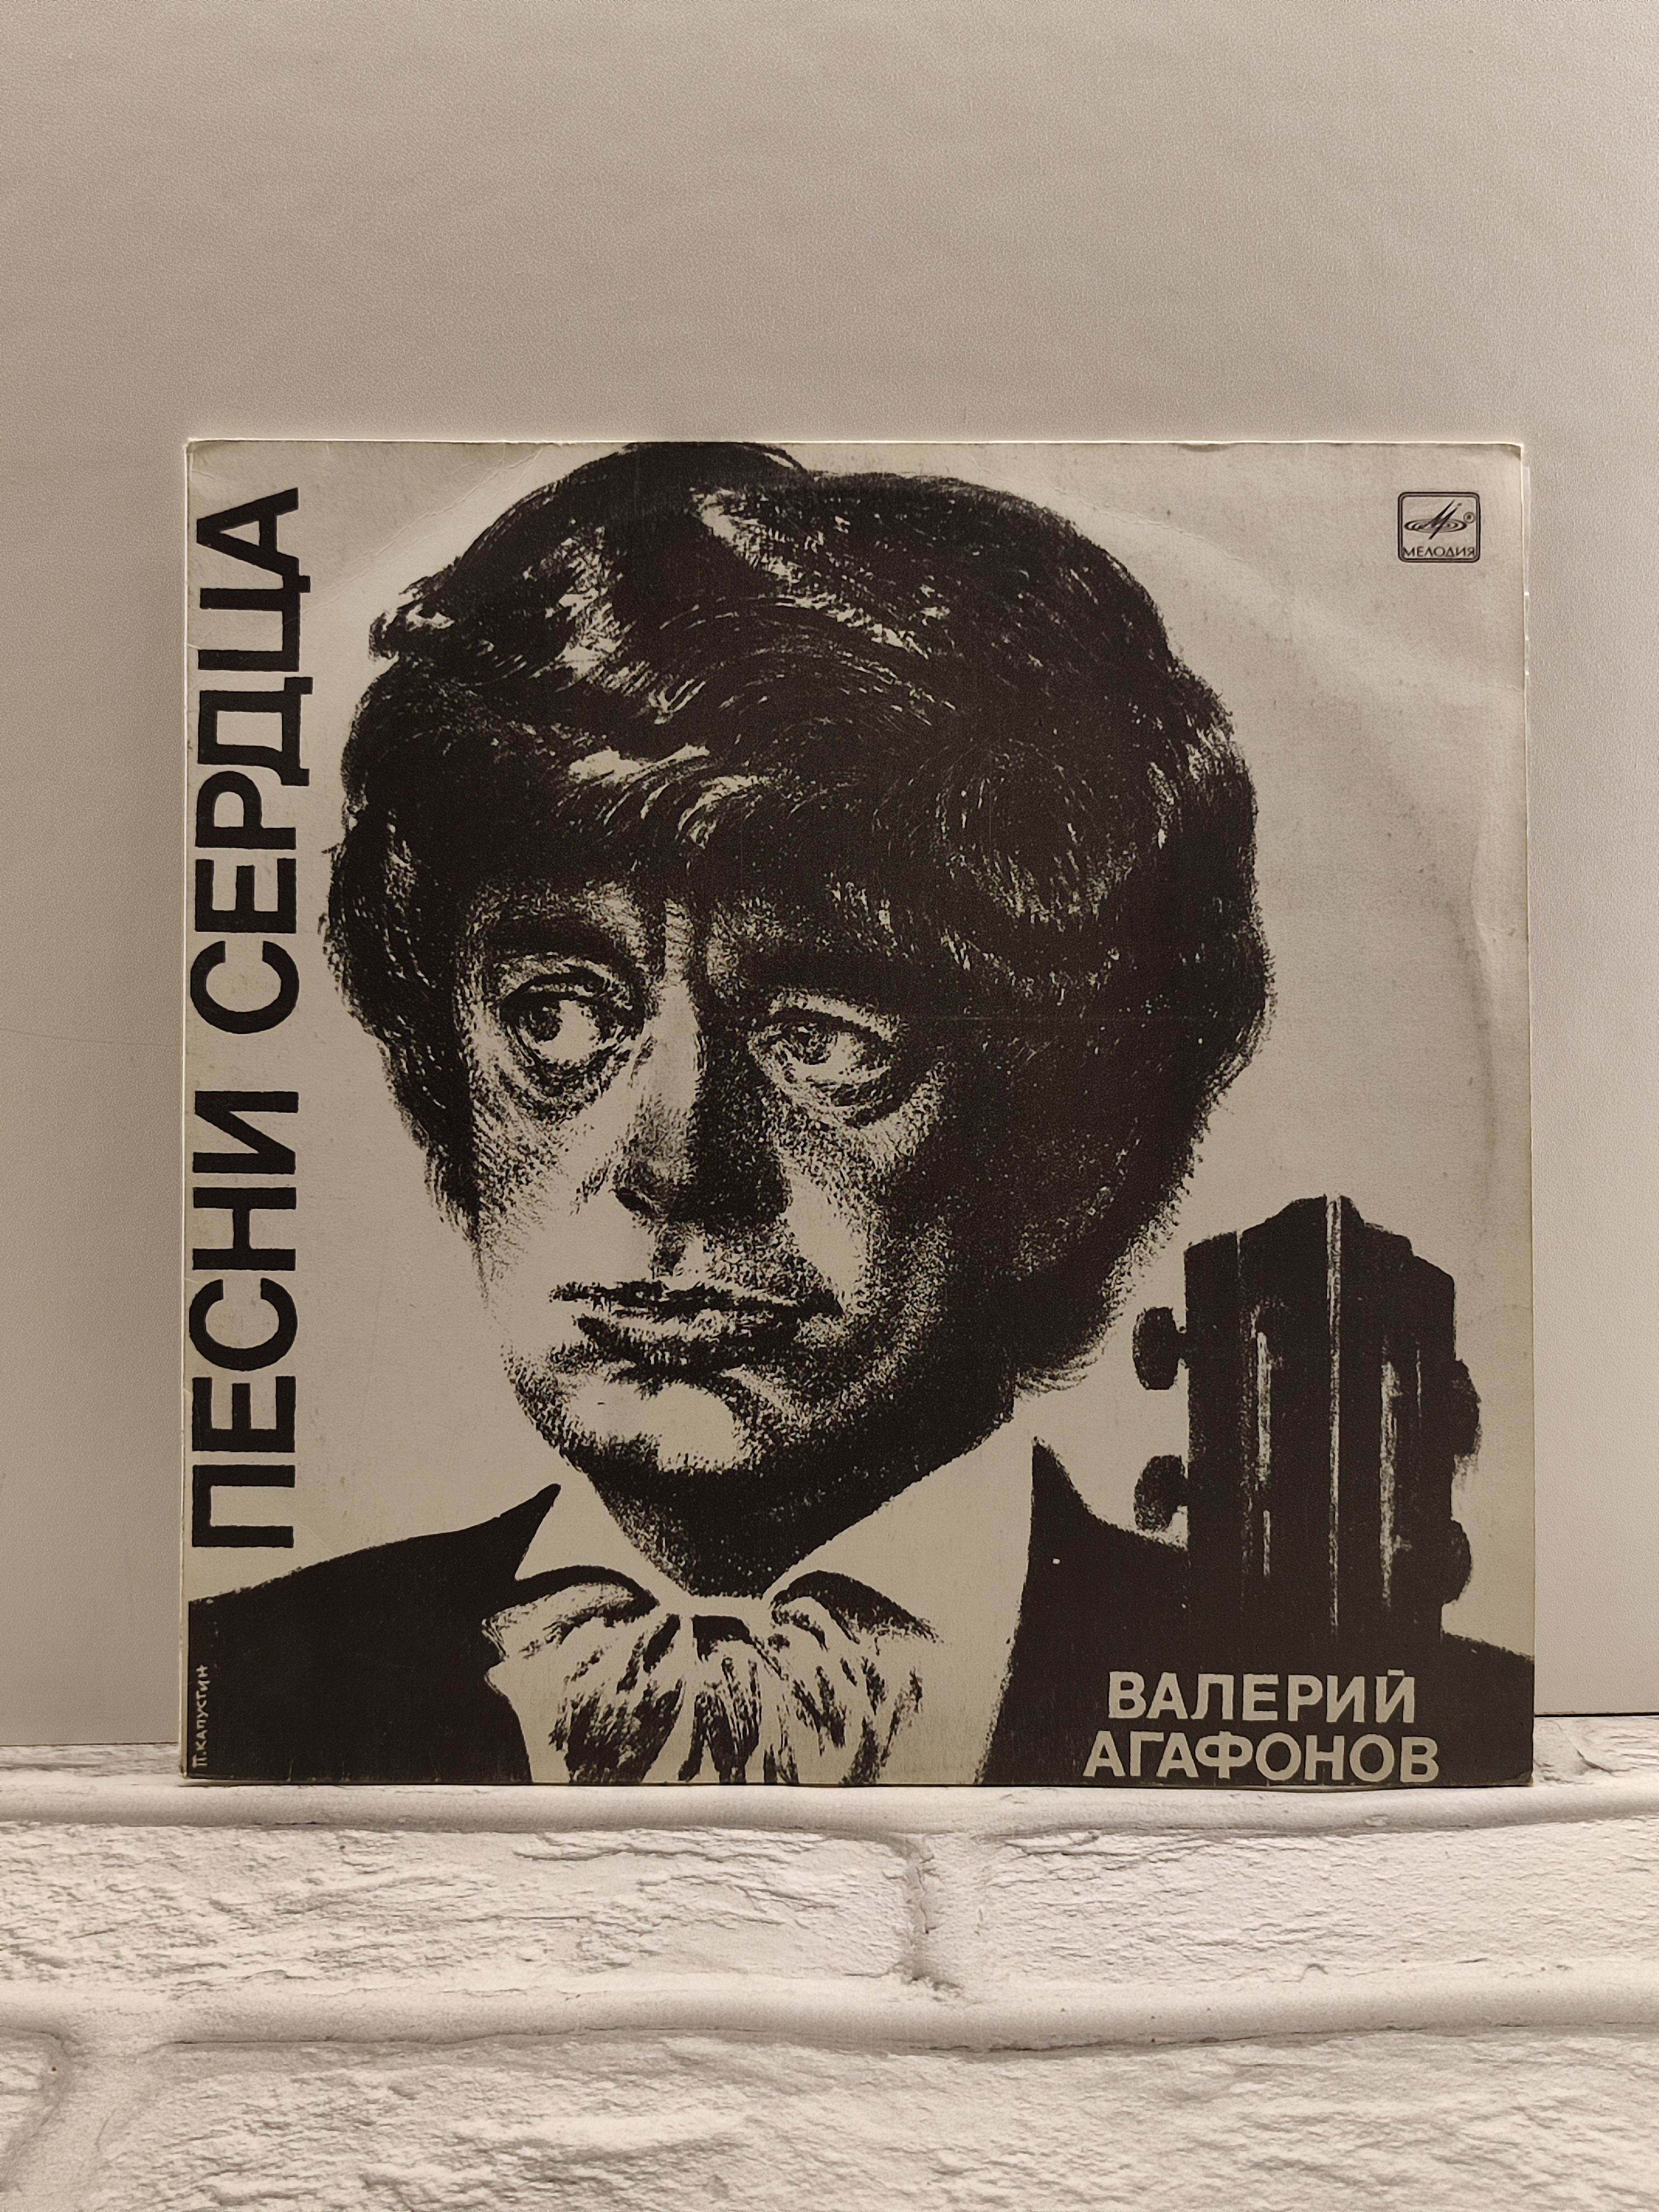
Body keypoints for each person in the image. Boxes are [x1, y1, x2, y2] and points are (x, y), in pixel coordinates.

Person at [189, 440, 1280, 1785]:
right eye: (558, 1017)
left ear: (1071, 1144)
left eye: (823, 1039)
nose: (675, 1164)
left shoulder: (1381, 1696)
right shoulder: (237, 1679)